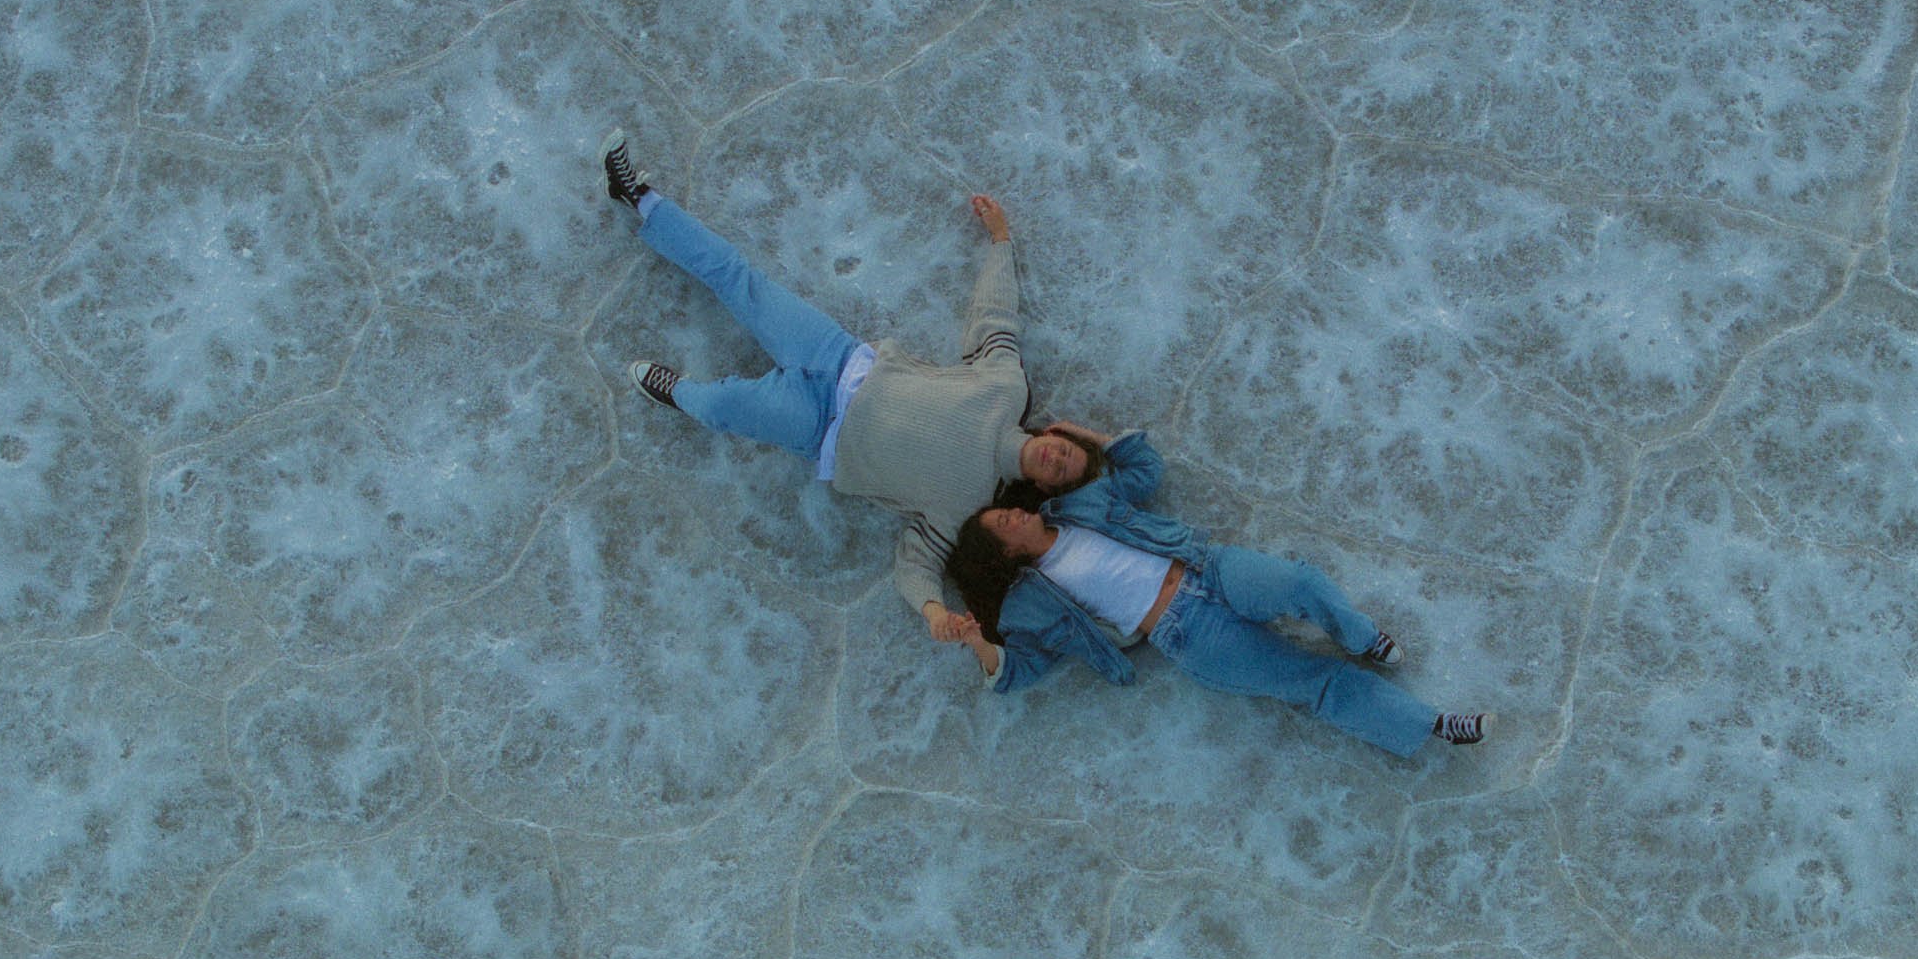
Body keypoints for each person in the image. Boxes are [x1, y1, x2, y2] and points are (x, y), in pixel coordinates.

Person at [601, 128, 1105, 640]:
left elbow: (916, 565)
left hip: (820, 429)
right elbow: (996, 317)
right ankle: (640, 197)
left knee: (722, 405)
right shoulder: (1006, 390)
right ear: (1055, 434)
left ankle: (676, 392)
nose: (1057, 459)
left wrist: (934, 613)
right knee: (739, 277)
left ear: (1045, 487)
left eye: (1062, 473)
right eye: (1066, 451)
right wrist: (1000, 240)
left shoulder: (970, 509)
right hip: (839, 357)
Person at [945, 430, 1492, 755]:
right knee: (1311, 682)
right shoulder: (1028, 603)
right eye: (1003, 526)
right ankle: (1433, 725)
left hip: (1209, 568)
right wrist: (976, 643)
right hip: (1187, 634)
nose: (1013, 514)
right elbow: (1018, 669)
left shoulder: (1078, 505)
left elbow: (1144, 468)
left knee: (1300, 581)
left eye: (1005, 510)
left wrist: (1087, 439)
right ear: (1006, 553)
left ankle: (1362, 636)